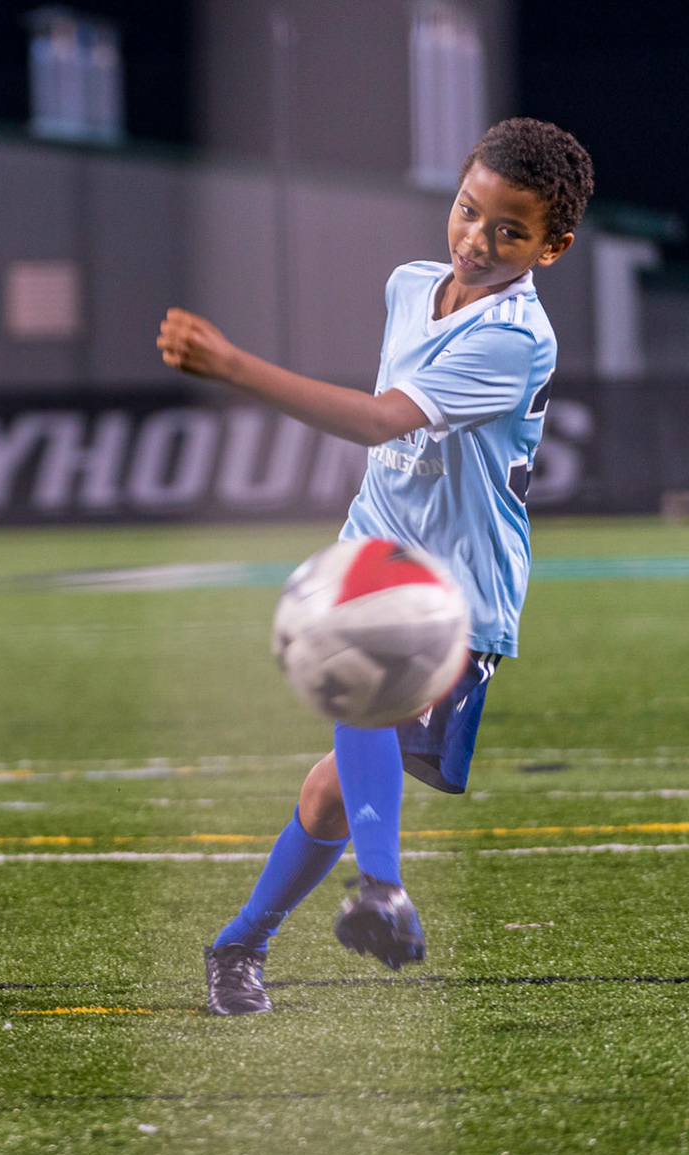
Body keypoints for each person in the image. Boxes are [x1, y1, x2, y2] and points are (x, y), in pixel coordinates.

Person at [156, 117, 594, 1016]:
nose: (479, 239)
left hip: (463, 591)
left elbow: (377, 420)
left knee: (328, 789)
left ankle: (252, 937)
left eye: (510, 230)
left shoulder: (517, 338)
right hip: (377, 554)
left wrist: (234, 366)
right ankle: (334, 909)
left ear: (554, 246)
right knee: (357, 698)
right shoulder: (410, 287)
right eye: (469, 212)